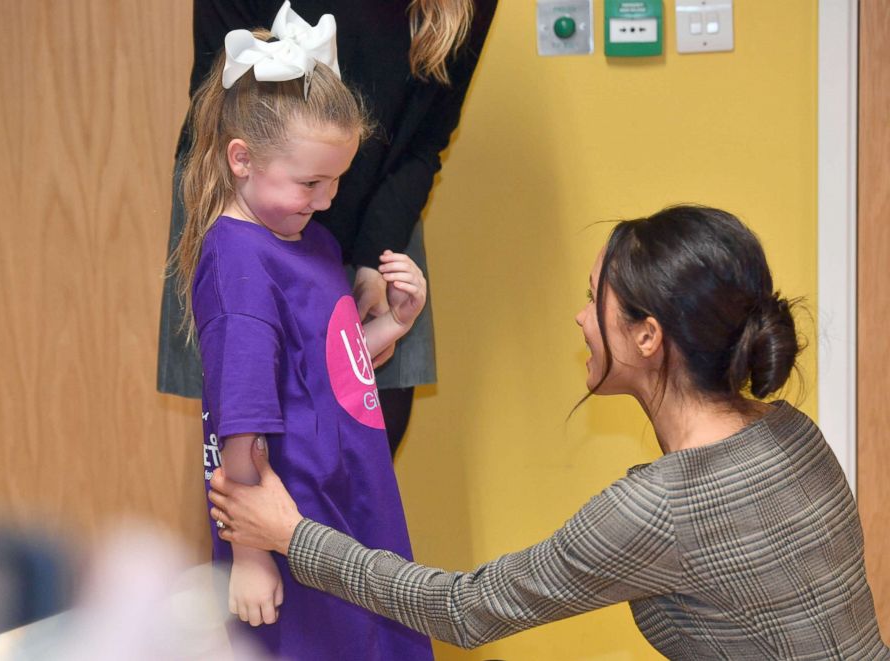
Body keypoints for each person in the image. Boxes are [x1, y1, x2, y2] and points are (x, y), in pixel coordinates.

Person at [206, 205, 890, 659]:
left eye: (594, 299)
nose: (579, 319)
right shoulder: (792, 433)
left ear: (649, 336)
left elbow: (466, 607)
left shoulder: (658, 508)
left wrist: (291, 534)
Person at [175, 5, 434, 659]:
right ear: (241, 159)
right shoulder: (237, 261)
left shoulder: (308, 240)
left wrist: (392, 325)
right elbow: (241, 421)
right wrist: (251, 552)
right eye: (310, 182)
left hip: (351, 500)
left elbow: (332, 366)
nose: (325, 200)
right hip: (291, 522)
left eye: (336, 182)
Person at [158, 0, 497, 456]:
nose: (325, 198)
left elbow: (426, 139)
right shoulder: (240, 235)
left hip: (383, 204)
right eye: (318, 186)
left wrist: (375, 259)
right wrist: (279, 248)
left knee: (364, 434)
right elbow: (220, 97)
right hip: (252, 197)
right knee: (254, 416)